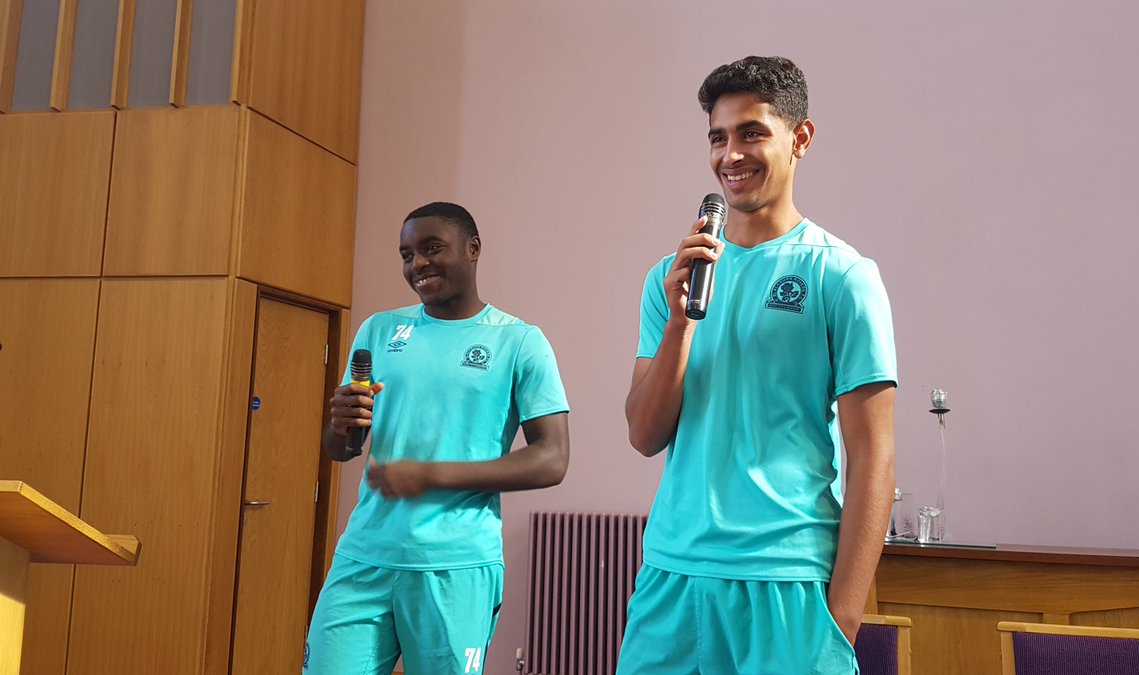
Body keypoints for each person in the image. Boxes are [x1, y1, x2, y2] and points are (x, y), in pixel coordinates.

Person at [618, 56, 897, 674]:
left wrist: (841, 621)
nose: (730, 155)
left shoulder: (842, 276)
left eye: (751, 133)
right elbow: (643, 435)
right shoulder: (671, 280)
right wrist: (680, 323)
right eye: (718, 137)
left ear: (800, 140)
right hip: (673, 574)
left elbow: (873, 456)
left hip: (787, 580)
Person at [304, 201, 571, 675]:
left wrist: (431, 475)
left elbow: (551, 459)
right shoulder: (379, 329)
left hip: (456, 565)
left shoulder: (519, 341)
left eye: (431, 248)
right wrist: (340, 424)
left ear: (473, 249)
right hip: (364, 555)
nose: (417, 264)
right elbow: (341, 449)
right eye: (406, 254)